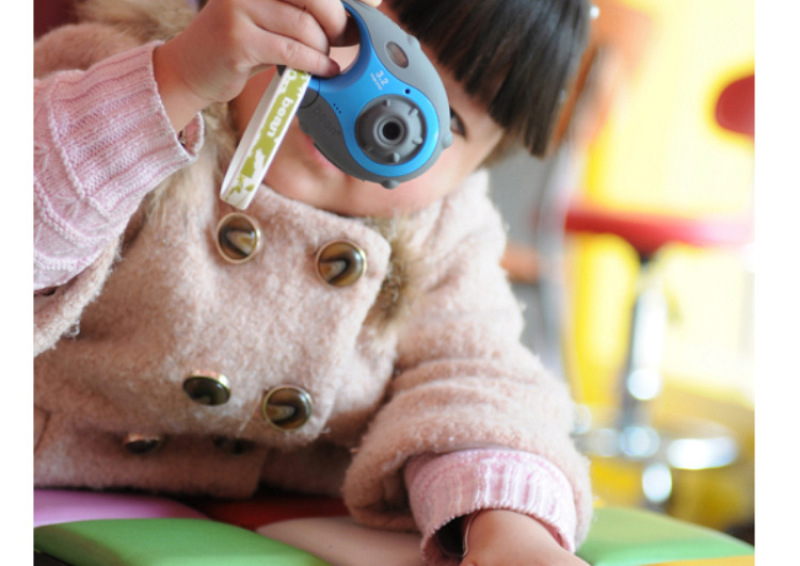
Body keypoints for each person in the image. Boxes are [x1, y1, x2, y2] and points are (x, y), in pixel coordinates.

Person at [33, 0, 593, 564]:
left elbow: (476, 381)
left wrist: (505, 523)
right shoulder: (123, 81)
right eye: (364, 42)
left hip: (284, 521)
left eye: (441, 121)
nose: (377, 112)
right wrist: (176, 79)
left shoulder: (440, 230)